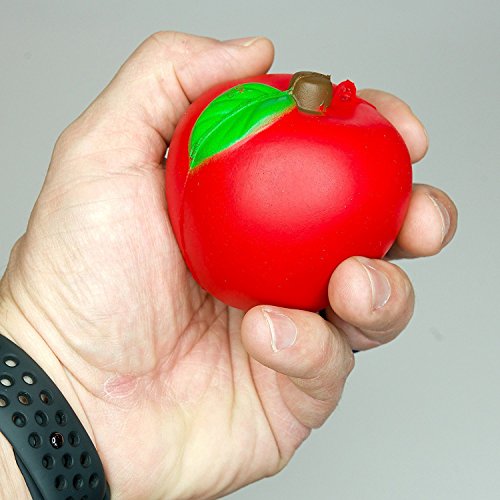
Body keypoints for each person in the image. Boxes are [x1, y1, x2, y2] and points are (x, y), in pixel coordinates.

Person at [0, 32, 457, 499]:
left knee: (372, 277)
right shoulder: (233, 113)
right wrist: (53, 351)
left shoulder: (371, 142)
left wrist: (55, 385)